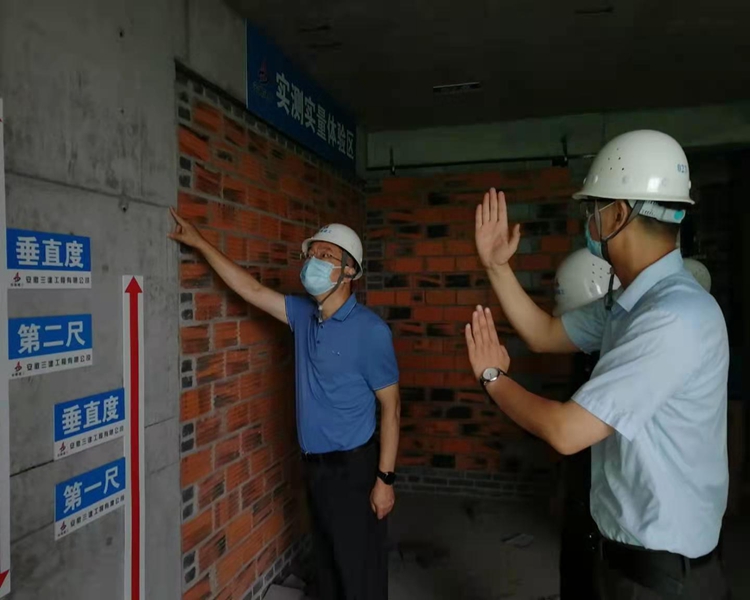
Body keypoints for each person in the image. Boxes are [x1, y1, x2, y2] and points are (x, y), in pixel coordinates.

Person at [465, 130, 730, 599]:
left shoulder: (672, 317)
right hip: (629, 560)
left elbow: (566, 431)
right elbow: (545, 333)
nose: (588, 219)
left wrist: (492, 378)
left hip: (661, 579)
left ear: (619, 213)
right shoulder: (633, 303)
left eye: (593, 208)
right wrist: (497, 266)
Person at [168, 212, 401, 600]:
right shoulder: (304, 314)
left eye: (326, 255)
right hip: (315, 466)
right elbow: (251, 290)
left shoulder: (371, 331)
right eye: (312, 254)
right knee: (327, 563)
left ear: (349, 272)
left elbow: (392, 409)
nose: (313, 262)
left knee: (359, 569)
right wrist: (200, 243)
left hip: (354, 469)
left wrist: (385, 481)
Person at [553, 248, 621, 600]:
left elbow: (565, 433)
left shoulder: (617, 358)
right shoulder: (586, 360)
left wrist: (494, 379)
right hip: (587, 500)